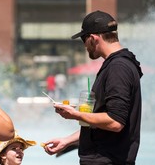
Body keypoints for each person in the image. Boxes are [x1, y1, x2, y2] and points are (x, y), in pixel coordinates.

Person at [43, 10, 143, 165]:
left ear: (94, 38)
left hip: (107, 160)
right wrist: (67, 141)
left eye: (84, 39)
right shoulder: (119, 64)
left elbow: (115, 122)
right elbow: (102, 121)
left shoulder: (118, 67)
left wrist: (76, 115)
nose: (84, 46)